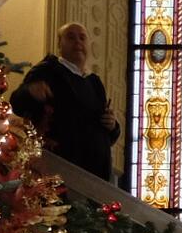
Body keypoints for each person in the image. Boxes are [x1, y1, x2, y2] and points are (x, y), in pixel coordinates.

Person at [9, 23, 120, 183]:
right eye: (71, 37)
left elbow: (103, 128)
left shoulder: (94, 82)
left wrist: (113, 126)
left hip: (96, 176)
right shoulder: (47, 71)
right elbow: (18, 104)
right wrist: (30, 92)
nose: (78, 42)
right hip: (58, 169)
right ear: (59, 44)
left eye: (82, 37)